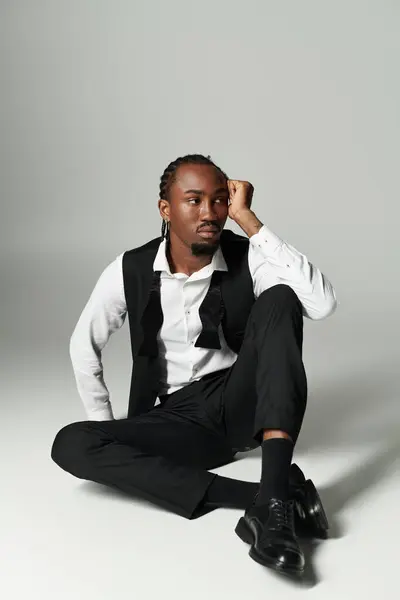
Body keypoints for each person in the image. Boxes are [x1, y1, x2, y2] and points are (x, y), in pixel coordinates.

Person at [51, 153, 337, 579]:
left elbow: (322, 303)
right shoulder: (129, 268)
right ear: (165, 209)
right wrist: (103, 426)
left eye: (220, 200)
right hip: (173, 417)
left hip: (236, 400)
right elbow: (83, 344)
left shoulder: (248, 255)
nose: (210, 213)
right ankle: (273, 494)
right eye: (194, 200)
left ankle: (273, 503)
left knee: (280, 298)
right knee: (71, 443)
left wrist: (250, 221)